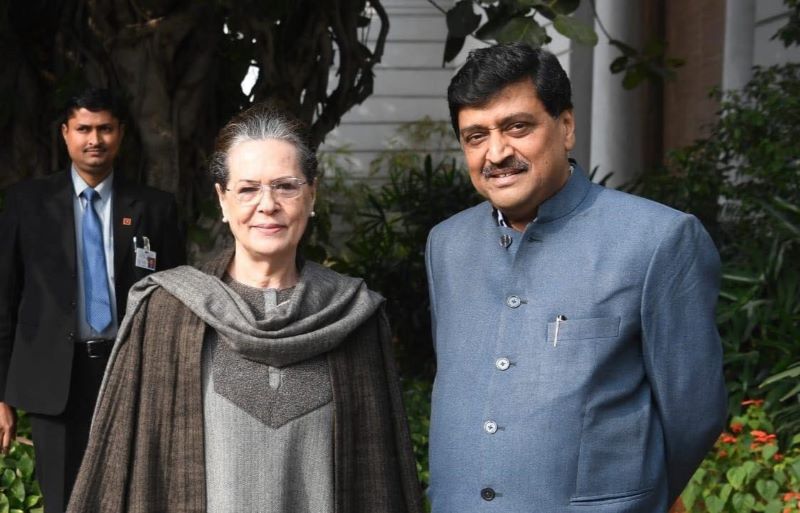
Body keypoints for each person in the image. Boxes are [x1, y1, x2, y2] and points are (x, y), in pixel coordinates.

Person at [66, 103, 423, 513]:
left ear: (311, 194)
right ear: (223, 200)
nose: (267, 204)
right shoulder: (167, 311)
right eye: (248, 189)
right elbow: (123, 471)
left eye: (285, 186)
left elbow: (380, 480)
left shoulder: (352, 314)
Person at [424, 43, 727, 512]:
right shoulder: (446, 245)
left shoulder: (657, 239)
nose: (496, 153)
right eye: (475, 136)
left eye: (517, 127)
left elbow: (694, 415)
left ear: (565, 127)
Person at [0, 87, 185, 513]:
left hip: (131, 373)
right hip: (53, 379)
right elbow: (4, 301)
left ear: (121, 133)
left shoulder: (155, 208)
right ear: (65, 133)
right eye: (83, 129)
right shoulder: (28, 204)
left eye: (105, 129)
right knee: (63, 502)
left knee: (133, 497)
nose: (94, 139)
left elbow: (175, 302)